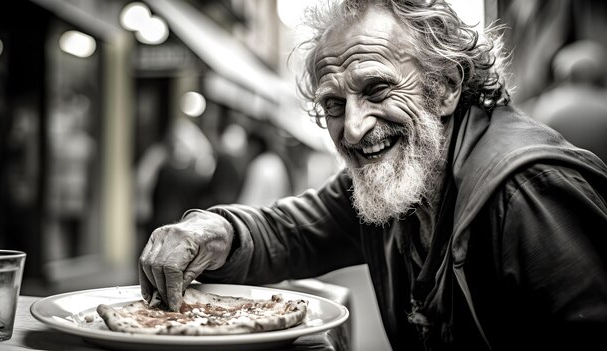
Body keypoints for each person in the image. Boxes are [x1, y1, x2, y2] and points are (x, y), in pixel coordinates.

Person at [138, 1, 607, 350]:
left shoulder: (528, 191)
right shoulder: (401, 176)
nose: (356, 127)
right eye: (334, 105)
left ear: (445, 88)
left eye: (377, 88)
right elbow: (292, 231)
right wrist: (214, 229)